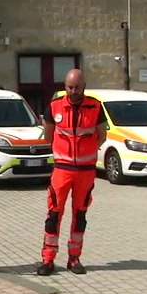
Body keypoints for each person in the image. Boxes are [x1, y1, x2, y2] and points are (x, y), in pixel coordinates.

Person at [37, 69, 107, 276]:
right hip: (62, 170)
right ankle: (48, 259)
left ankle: (74, 258)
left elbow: (101, 135)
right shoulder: (54, 106)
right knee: (53, 214)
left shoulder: (95, 106)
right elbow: (48, 136)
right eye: (69, 87)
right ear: (64, 87)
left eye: (77, 87)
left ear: (84, 86)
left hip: (85, 172)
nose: (73, 91)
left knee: (80, 215)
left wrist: (87, 152)